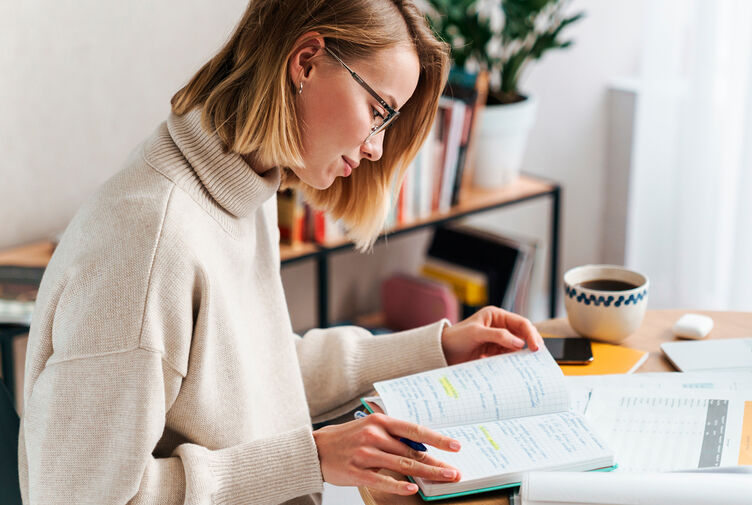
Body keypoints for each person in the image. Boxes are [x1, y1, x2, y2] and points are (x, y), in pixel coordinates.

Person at [18, 1, 544, 504]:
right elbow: (75, 496)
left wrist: (441, 349)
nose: (377, 148)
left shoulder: (247, 185)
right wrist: (309, 459)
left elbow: (258, 373)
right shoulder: (148, 245)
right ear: (306, 61)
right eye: (378, 110)